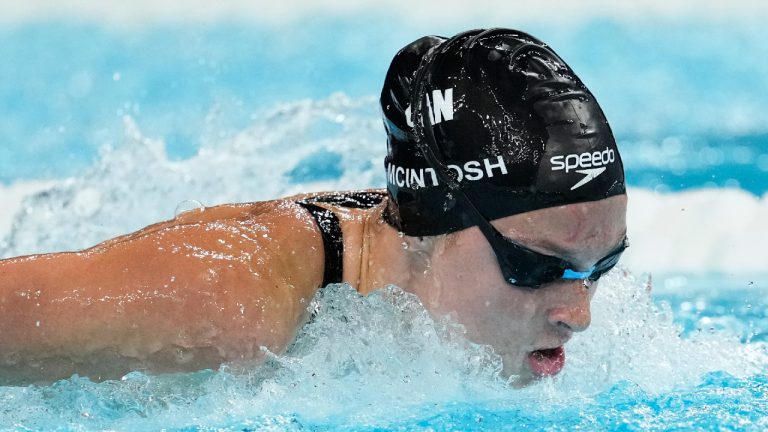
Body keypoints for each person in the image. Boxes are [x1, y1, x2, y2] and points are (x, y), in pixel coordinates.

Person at [0, 28, 627, 387]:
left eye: (599, 269)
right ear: (428, 233)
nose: (579, 313)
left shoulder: (425, 284)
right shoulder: (229, 304)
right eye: (537, 268)